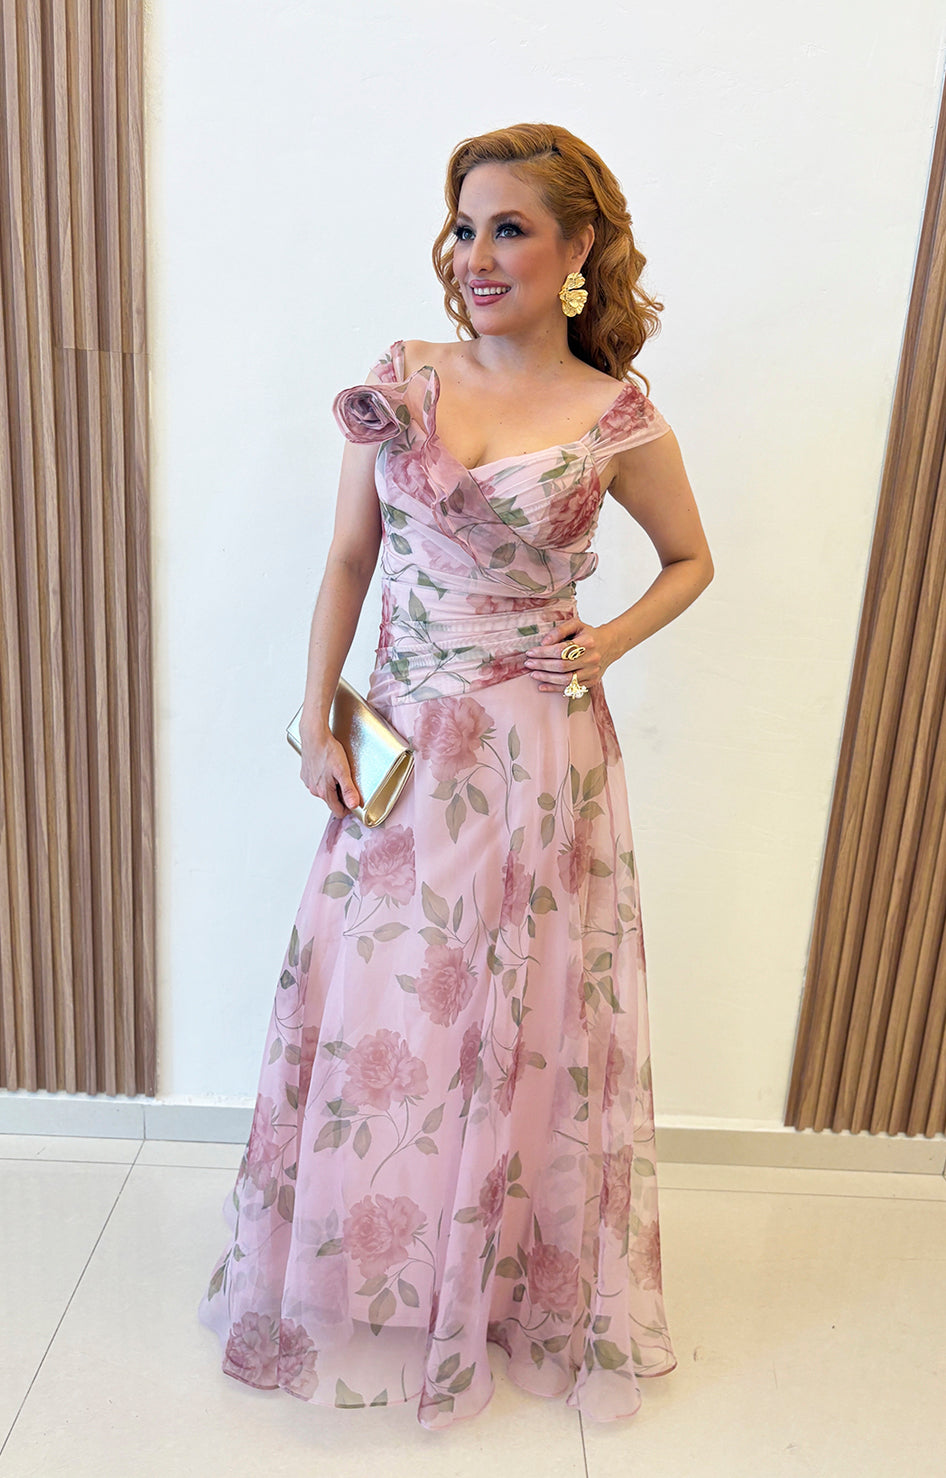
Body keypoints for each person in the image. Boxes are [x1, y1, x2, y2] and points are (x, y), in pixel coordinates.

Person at [198, 121, 713, 1432]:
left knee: (512, 1003)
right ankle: (371, 1258)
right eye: (465, 227)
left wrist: (604, 640)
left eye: (509, 229)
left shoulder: (615, 418)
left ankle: (484, 1276)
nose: (476, 255)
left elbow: (690, 560)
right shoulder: (407, 378)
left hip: (540, 748)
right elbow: (349, 560)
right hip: (402, 739)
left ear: (578, 247)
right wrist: (318, 717)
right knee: (384, 991)